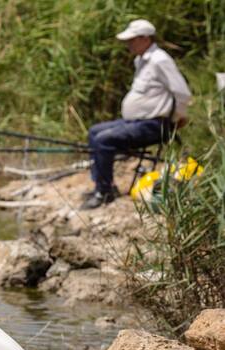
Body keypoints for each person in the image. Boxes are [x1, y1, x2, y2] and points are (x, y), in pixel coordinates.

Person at [81, 19, 192, 210]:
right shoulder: (141, 60)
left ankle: (103, 193)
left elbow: (182, 93)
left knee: (103, 140)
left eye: (132, 40)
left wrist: (175, 120)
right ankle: (104, 185)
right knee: (94, 132)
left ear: (145, 38)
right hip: (136, 122)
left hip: (154, 125)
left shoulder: (160, 60)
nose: (128, 44)